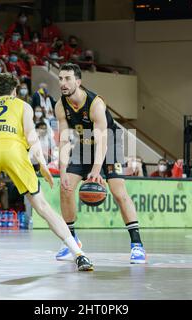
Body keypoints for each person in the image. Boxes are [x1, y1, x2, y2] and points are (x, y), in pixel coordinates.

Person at [0, 72, 93, 271]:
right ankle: (79, 255)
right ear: (14, 91)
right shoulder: (23, 106)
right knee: (42, 206)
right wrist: (43, 165)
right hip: (14, 151)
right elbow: (31, 138)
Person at [55, 63, 146, 264]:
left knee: (118, 191)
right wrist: (62, 172)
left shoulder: (95, 103)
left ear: (78, 82)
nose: (63, 82)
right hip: (83, 144)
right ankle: (72, 241)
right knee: (66, 188)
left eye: (67, 78)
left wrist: (96, 171)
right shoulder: (60, 105)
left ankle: (137, 245)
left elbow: (103, 140)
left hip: (109, 143)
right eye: (60, 78)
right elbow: (63, 140)